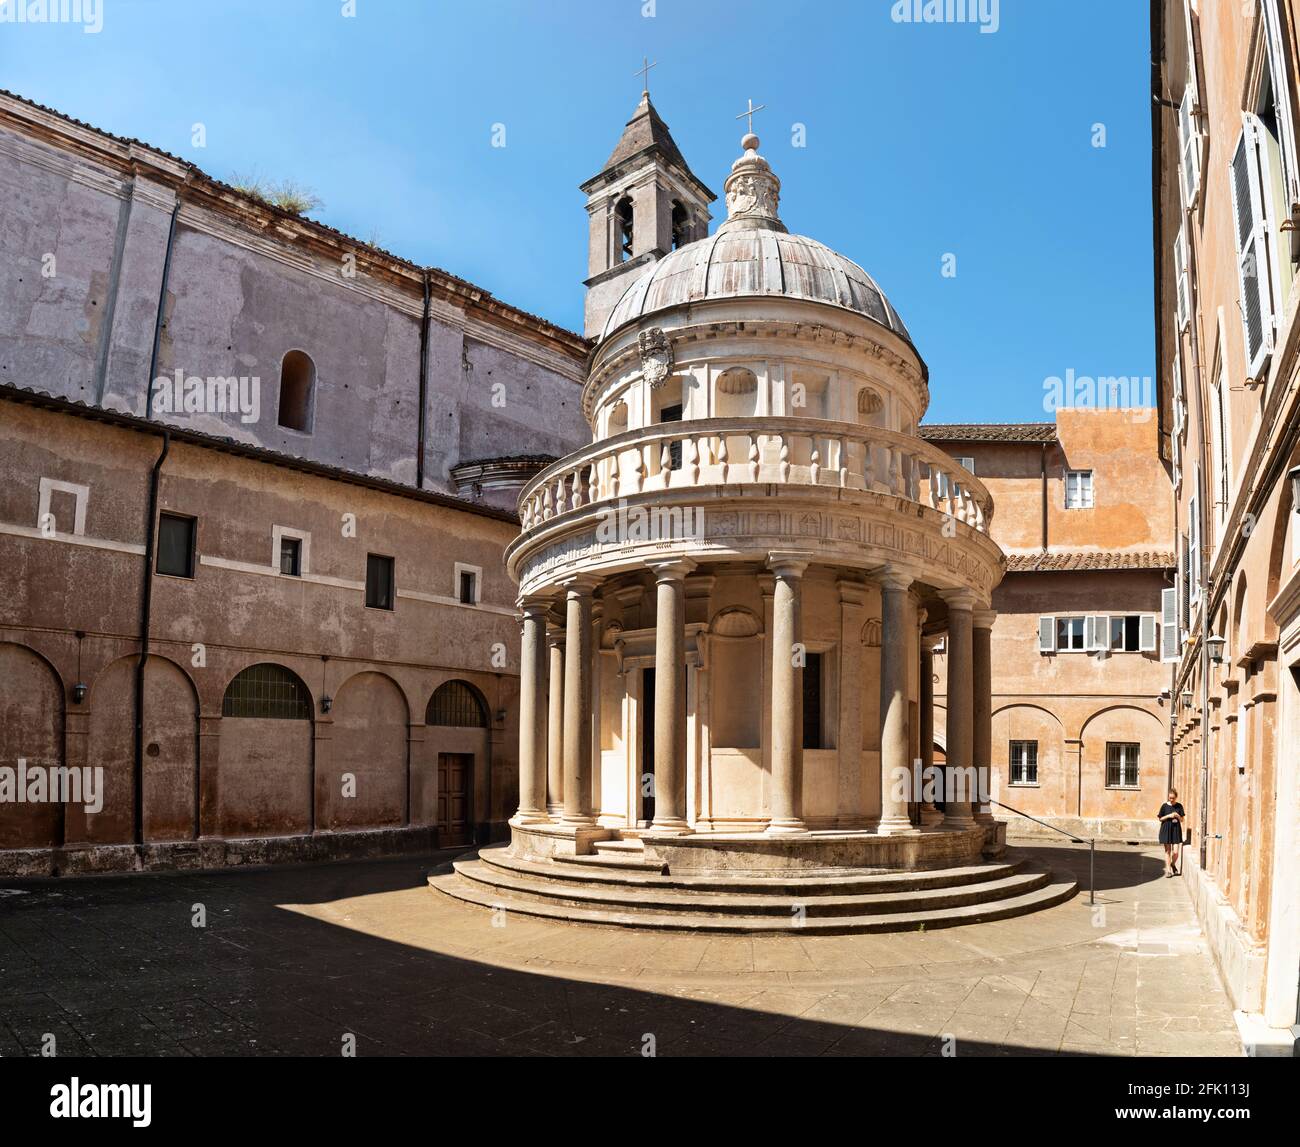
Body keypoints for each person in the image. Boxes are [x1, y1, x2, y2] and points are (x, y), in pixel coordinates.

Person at [1157, 789, 1185, 877]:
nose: (1171, 800)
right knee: (1167, 851)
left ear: (1176, 797)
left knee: (1176, 852)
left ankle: (1173, 864)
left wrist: (1178, 816)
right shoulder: (1164, 806)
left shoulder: (1179, 806)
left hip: (1176, 830)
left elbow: (1182, 820)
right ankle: (1168, 870)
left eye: (1173, 798)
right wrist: (1169, 816)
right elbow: (1160, 818)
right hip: (1166, 829)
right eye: (1170, 798)